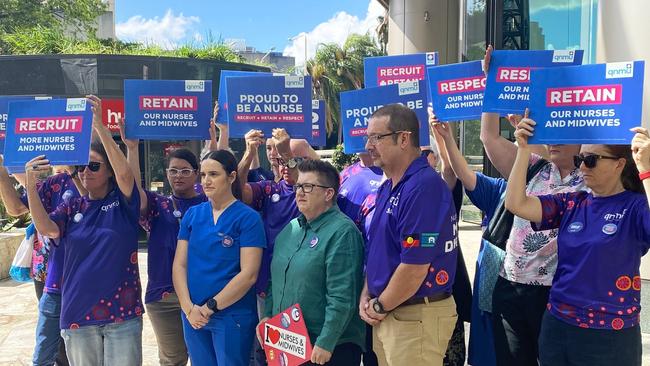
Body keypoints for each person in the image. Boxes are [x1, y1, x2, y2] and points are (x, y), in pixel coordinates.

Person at [505, 116, 650, 366]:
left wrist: (646, 168)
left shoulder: (635, 207)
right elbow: (516, 203)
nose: (582, 168)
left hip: (610, 335)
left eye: (591, 160)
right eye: (580, 160)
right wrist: (523, 149)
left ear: (619, 164)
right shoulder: (573, 202)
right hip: (558, 325)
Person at [480, 45, 585, 366]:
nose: (553, 137)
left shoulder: (594, 180)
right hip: (511, 285)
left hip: (557, 294)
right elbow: (489, 138)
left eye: (561, 130)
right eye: (548, 128)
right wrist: (493, 81)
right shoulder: (534, 165)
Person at [26, 95, 144, 366]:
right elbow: (47, 229)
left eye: (94, 166)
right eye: (81, 167)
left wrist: (100, 127)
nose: (85, 172)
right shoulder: (71, 206)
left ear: (109, 171)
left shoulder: (124, 203)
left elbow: (126, 175)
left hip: (122, 317)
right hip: (78, 316)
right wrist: (31, 184)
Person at [359, 104, 458, 366]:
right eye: (368, 137)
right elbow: (379, 250)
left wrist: (379, 306)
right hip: (392, 312)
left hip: (415, 315)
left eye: (376, 137)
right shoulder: (389, 187)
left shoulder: (423, 188)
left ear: (404, 138)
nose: (369, 145)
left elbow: (415, 266)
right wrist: (367, 295)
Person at [119, 119, 208, 366]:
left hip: (202, 292)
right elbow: (134, 192)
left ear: (196, 174)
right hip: (164, 296)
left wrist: (220, 136)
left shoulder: (208, 204)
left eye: (185, 171)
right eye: (173, 171)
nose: (178, 176)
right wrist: (132, 148)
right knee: (172, 360)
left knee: (205, 357)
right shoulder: (159, 204)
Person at [260, 159, 366, 365]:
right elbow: (275, 280)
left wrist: (326, 342)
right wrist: (268, 316)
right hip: (287, 340)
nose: (300, 192)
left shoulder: (343, 232)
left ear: (329, 194)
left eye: (308, 187)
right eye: (298, 186)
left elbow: (342, 296)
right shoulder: (290, 230)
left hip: (327, 347)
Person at [172, 150, 266, 366]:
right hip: (193, 315)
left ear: (231, 176)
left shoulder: (248, 218)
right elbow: (180, 264)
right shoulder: (193, 215)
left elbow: (249, 274)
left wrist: (209, 308)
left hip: (231, 315)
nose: (206, 181)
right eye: (203, 175)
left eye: (213, 174)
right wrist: (188, 308)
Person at [238, 129, 319, 365]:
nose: (285, 166)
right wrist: (249, 151)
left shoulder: (313, 192)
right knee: (268, 353)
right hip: (270, 290)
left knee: (301, 356)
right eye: (280, 161)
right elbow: (238, 191)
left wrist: (289, 152)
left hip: (305, 288)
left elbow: (309, 177)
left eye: (291, 161)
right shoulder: (268, 189)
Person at [0, 161, 82, 366]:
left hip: (85, 273)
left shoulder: (95, 181)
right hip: (48, 270)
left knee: (81, 337)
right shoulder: (51, 185)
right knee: (52, 336)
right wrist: (2, 173)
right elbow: (16, 208)